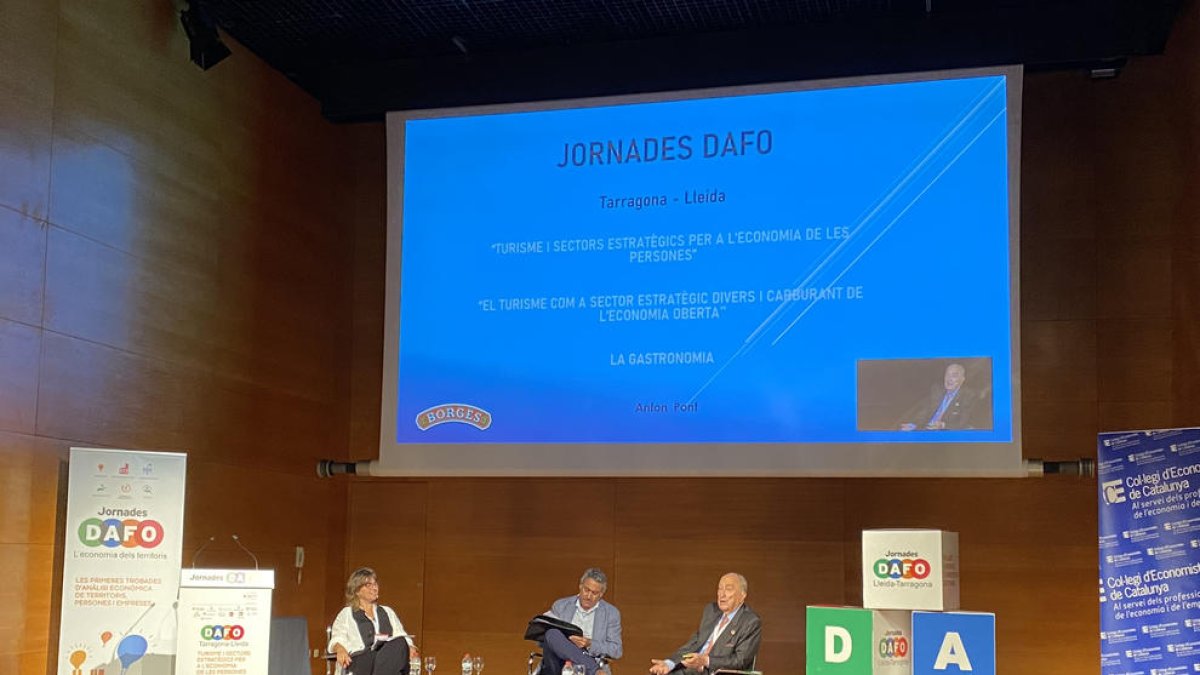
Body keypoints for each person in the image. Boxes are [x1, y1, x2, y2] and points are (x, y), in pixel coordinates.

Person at [649, 573, 761, 675]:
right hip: (692, 670)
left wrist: (706, 661)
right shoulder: (711, 610)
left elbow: (740, 661)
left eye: (728, 589)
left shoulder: (750, 622)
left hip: (715, 672)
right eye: (719, 589)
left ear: (742, 595)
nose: (722, 594)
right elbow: (693, 644)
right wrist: (669, 663)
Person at [329, 567, 419, 675]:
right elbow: (337, 638)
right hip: (359, 662)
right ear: (356, 590)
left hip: (386, 659)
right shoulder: (347, 613)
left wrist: (410, 647)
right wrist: (340, 649)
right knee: (375, 656)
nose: (374, 588)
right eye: (368, 585)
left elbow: (400, 635)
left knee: (400, 642)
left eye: (375, 584)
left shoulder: (387, 612)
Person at [539, 568, 623, 675]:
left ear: (601, 594)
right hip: (559, 663)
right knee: (552, 633)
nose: (588, 596)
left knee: (580, 665)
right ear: (580, 586)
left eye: (594, 593)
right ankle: (595, 670)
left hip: (589, 660)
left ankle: (590, 667)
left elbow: (616, 650)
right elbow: (545, 640)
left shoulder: (611, 613)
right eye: (586, 590)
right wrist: (566, 643)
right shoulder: (561, 606)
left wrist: (590, 644)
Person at [899, 363, 979, 431]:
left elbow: (963, 422)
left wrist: (943, 425)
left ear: (962, 379)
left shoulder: (968, 395)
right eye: (947, 375)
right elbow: (925, 411)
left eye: (954, 376)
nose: (949, 379)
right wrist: (914, 425)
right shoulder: (937, 389)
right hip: (926, 430)